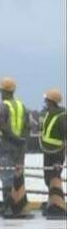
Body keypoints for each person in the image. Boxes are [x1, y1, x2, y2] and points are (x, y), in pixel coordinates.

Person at [0, 76, 30, 217]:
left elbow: (2, 127)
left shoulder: (2, 107)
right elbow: (28, 127)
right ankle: (18, 204)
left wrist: (14, 139)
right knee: (18, 176)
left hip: (6, 147)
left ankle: (7, 206)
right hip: (20, 148)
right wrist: (22, 141)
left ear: (3, 91)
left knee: (6, 177)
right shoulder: (22, 106)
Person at [41, 88, 64, 218]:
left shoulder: (62, 116)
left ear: (52, 102)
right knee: (47, 179)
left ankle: (58, 205)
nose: (45, 102)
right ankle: (52, 201)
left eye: (47, 100)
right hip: (47, 152)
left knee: (55, 178)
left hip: (57, 153)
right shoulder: (49, 114)